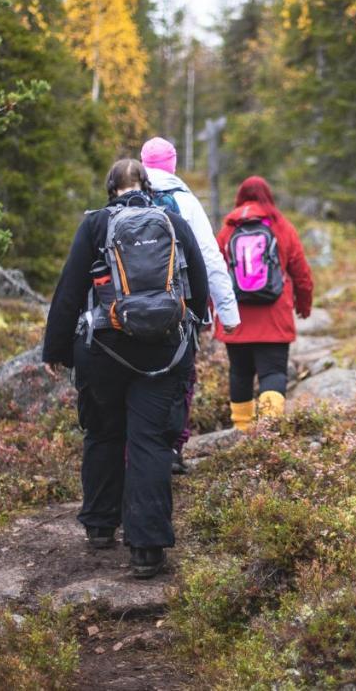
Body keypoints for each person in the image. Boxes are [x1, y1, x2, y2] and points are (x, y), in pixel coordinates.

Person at [42, 158, 209, 579]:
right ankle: (147, 550)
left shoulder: (95, 225)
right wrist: (193, 335)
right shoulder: (172, 222)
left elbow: (69, 290)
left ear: (109, 188)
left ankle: (100, 526)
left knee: (103, 432)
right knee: (150, 441)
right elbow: (199, 286)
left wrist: (56, 349)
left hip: (104, 351)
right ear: (147, 186)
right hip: (164, 352)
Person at [139, 137, 239, 474]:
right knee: (180, 378)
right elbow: (211, 258)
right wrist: (228, 312)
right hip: (180, 309)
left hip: (127, 308)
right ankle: (171, 450)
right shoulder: (186, 202)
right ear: (173, 164)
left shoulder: (126, 199)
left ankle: (136, 450)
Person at [215, 176, 313, 429]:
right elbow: (301, 273)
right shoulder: (282, 228)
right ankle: (268, 430)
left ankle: (242, 429)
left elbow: (214, 273)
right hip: (274, 316)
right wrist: (304, 304)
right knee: (273, 373)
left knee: (239, 373)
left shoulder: (228, 230)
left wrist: (210, 310)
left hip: (236, 317)